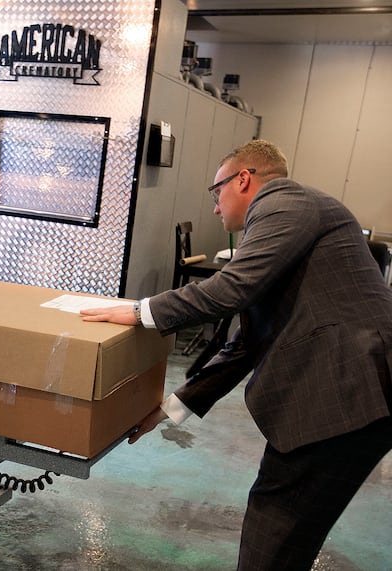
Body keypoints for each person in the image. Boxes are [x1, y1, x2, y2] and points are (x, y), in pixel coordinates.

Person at [81, 139, 392, 570]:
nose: (214, 208)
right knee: (286, 532)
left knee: (277, 531)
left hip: (341, 391)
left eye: (216, 192)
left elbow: (231, 290)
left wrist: (140, 311)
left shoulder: (284, 200)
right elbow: (245, 343)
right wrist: (169, 408)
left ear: (243, 179)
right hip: (354, 398)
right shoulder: (290, 224)